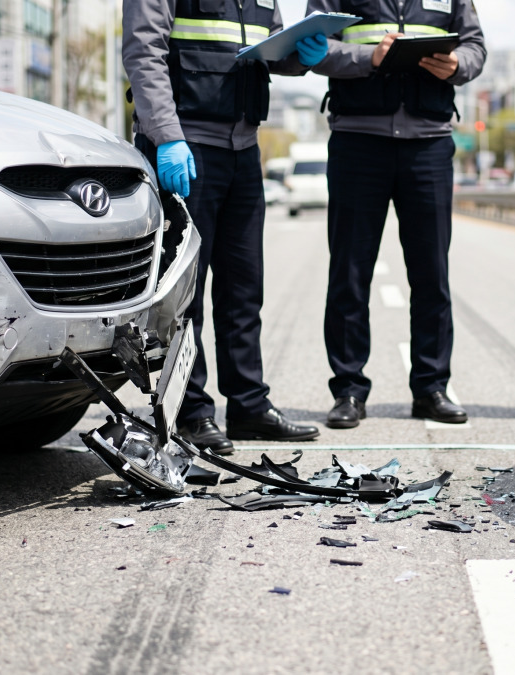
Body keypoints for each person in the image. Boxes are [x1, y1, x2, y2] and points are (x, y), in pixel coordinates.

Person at [123, 0, 332, 454]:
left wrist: (301, 55)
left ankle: (249, 405)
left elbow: (266, 50)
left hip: (243, 148)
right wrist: (166, 135)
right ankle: (192, 411)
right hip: (187, 146)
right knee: (185, 294)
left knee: (243, 288)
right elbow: (144, 51)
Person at [306, 0, 486, 430]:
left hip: (429, 145)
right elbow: (313, 48)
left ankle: (431, 389)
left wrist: (458, 64)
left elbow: (476, 47)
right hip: (357, 142)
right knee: (349, 272)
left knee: (431, 274)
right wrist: (369, 57)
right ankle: (348, 389)